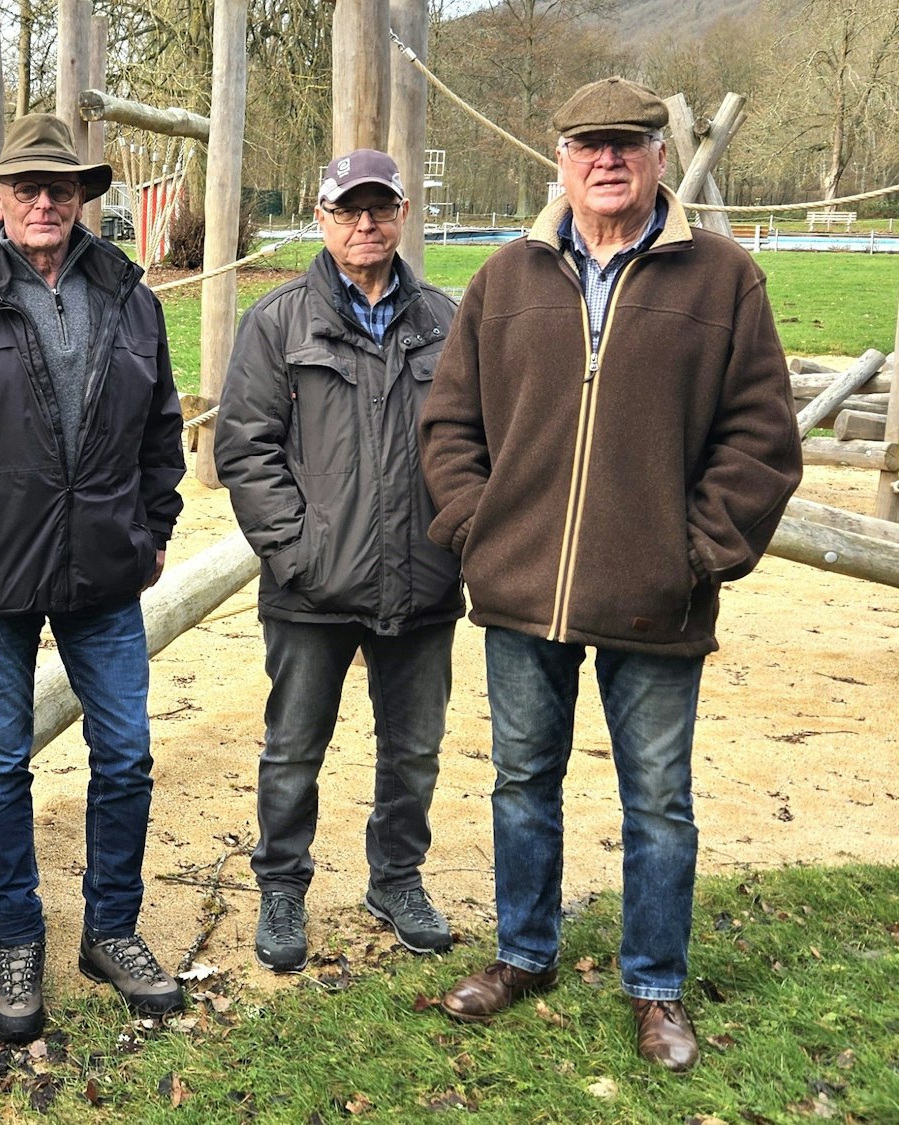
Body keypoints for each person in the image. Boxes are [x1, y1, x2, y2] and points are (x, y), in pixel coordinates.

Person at [419, 76, 801, 1071]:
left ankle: (655, 986)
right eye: (587, 144)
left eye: (625, 143)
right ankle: (522, 954)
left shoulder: (722, 280)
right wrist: (475, 529)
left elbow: (759, 441)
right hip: (521, 592)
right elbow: (448, 425)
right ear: (559, 158)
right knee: (519, 784)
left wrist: (692, 555)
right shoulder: (503, 279)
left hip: (652, 597)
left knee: (657, 798)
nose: (605, 160)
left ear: (656, 156)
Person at [0, 113, 187, 1044]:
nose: (46, 201)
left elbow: (160, 433)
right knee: (1, 764)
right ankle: (19, 935)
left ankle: (113, 926)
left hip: (103, 576)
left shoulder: (133, 300)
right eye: (28, 187)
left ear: (84, 196)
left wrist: (155, 526)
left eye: (63, 186)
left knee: (127, 753)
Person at [214, 148, 462, 973]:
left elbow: (475, 444)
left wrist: (455, 537)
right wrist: (298, 550)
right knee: (293, 747)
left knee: (414, 747)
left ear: (401, 214)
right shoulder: (279, 321)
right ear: (322, 219)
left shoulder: (446, 321)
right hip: (312, 587)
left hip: (422, 579)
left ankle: (397, 877)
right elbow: (245, 451)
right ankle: (282, 884)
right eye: (349, 209)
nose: (367, 223)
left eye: (381, 207)